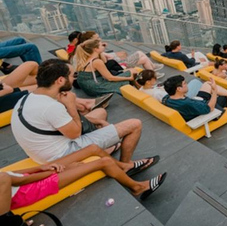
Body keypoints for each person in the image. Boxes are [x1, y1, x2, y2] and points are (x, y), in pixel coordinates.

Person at [11, 59, 143, 164]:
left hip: (45, 147)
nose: (74, 79)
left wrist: (98, 121)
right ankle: (127, 165)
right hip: (61, 155)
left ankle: (104, 145)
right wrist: (71, 105)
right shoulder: (50, 107)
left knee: (100, 113)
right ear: (61, 80)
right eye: (72, 75)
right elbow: (75, 134)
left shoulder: (26, 98)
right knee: (134, 124)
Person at [0, 145, 165, 210]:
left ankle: (124, 167)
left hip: (29, 177)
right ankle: (137, 187)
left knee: (92, 149)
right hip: (30, 190)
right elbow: (18, 180)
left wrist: (39, 167)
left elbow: (14, 174)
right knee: (105, 162)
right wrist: (54, 172)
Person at [74, 39, 139, 96]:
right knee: (132, 71)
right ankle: (140, 91)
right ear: (95, 49)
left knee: (129, 72)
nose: (103, 46)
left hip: (89, 87)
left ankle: (138, 91)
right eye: (101, 45)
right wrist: (128, 78)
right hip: (96, 87)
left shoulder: (86, 58)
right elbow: (110, 78)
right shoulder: (96, 61)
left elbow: (105, 62)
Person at [162, 75, 227, 120]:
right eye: (185, 83)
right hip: (204, 109)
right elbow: (210, 108)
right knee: (223, 97)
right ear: (178, 89)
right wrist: (214, 91)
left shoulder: (168, 98)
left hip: (197, 102)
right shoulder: (187, 104)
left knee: (207, 84)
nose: (186, 84)